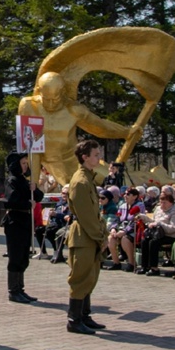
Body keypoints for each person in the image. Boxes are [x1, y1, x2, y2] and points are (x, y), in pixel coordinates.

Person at [64, 139, 108, 335]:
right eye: (96, 155)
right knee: (80, 278)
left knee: (90, 277)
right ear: (85, 157)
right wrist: (100, 237)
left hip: (89, 235)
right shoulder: (81, 182)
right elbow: (86, 215)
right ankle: (74, 320)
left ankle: (84, 315)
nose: (99, 157)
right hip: (84, 235)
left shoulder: (88, 178)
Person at [3, 152, 44, 304]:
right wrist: (28, 204)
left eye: (27, 163)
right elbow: (10, 201)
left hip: (26, 220)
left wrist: (34, 189)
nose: (26, 166)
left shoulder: (23, 180)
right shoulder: (12, 181)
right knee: (15, 255)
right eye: (23, 163)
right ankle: (13, 290)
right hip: (15, 221)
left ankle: (20, 288)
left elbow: (38, 197)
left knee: (23, 255)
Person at [136, 192, 175, 276]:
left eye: (164, 203)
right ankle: (145, 266)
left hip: (171, 235)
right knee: (144, 240)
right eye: (161, 202)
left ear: (171, 203)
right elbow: (153, 222)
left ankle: (154, 268)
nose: (162, 205)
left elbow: (174, 229)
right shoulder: (158, 209)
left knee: (153, 242)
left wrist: (160, 224)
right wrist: (144, 217)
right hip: (158, 233)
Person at [105, 188, 142, 272]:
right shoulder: (122, 206)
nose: (125, 196)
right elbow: (116, 219)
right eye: (125, 194)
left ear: (135, 196)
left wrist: (125, 231)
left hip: (135, 230)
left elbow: (136, 221)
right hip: (121, 229)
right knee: (110, 238)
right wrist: (113, 228)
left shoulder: (139, 205)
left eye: (128, 194)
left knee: (125, 239)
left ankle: (131, 263)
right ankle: (116, 263)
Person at [45, 185, 72, 263]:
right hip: (56, 223)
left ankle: (58, 252)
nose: (64, 195)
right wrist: (52, 215)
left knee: (55, 231)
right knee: (40, 230)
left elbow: (68, 217)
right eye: (63, 193)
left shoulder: (71, 203)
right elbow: (56, 214)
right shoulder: (59, 203)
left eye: (67, 193)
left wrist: (56, 215)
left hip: (65, 224)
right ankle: (55, 250)